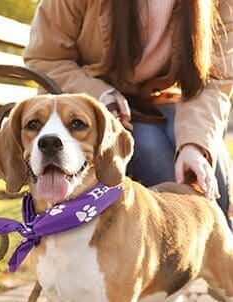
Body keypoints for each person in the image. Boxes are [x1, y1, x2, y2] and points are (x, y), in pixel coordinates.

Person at [23, 0, 233, 227]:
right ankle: (174, 252)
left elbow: (215, 79)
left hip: (164, 101)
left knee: (210, 170)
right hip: (99, 106)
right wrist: (100, 97)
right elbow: (45, 58)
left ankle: (220, 253)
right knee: (155, 153)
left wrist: (195, 145)